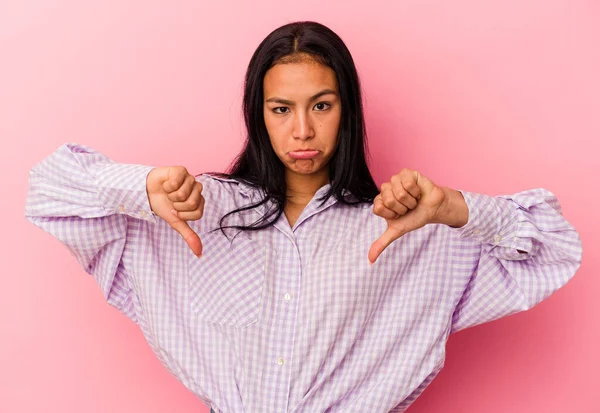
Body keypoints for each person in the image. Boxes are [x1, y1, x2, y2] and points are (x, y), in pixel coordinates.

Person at [25, 20, 582, 413]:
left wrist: (454, 209)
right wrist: (143, 190)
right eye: (281, 109)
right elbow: (47, 190)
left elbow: (556, 250)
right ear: (258, 115)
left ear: (347, 109)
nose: (303, 132)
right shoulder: (198, 209)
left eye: (321, 105)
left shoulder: (407, 230)